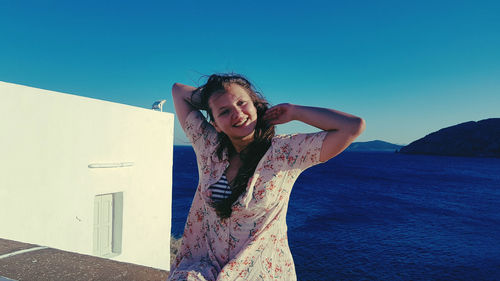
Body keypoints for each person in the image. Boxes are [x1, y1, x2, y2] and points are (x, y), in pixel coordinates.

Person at [169, 73, 365, 281]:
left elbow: (352, 127)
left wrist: (295, 111)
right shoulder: (208, 146)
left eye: (242, 103)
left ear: (256, 106)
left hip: (258, 272)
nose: (237, 113)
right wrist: (212, 98)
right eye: (225, 112)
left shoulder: (286, 152)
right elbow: (178, 91)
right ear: (215, 123)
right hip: (206, 268)